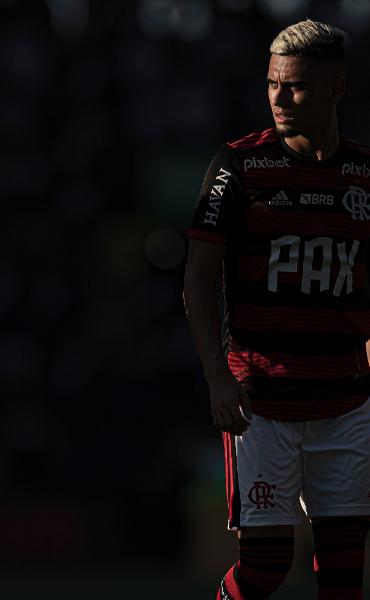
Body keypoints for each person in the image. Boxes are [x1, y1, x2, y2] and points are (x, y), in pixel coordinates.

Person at [183, 19, 370, 600]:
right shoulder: (238, 168)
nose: (279, 99)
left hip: (346, 404)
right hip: (261, 404)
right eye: (272, 85)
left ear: (336, 88)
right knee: (265, 568)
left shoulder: (365, 176)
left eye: (295, 87)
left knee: (343, 576)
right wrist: (218, 377)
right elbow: (197, 280)